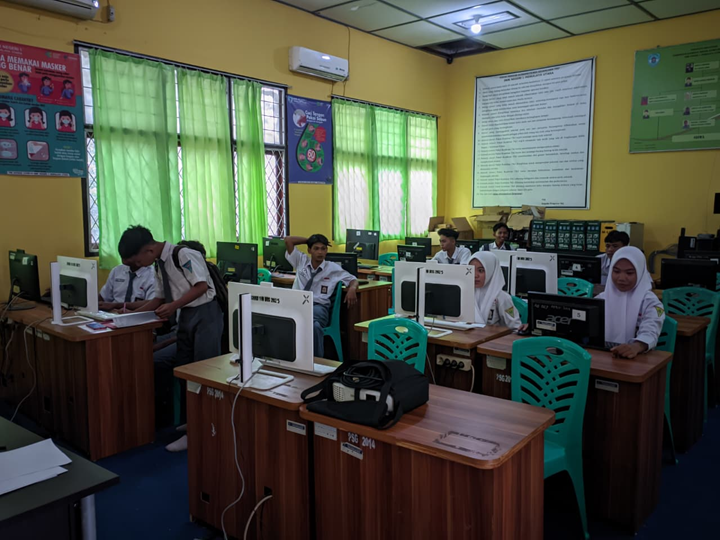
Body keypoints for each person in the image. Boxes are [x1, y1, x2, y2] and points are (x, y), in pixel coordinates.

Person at [120, 226, 223, 452]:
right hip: (185, 316)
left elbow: (201, 287)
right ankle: (191, 422)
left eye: (137, 262)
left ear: (148, 250)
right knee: (184, 371)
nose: (139, 266)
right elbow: (158, 298)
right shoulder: (159, 264)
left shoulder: (184, 255)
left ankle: (203, 429)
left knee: (202, 374)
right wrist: (128, 317)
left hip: (206, 315)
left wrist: (174, 305)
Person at [284, 234, 358, 357]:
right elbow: (288, 240)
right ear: (309, 250)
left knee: (307, 322)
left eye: (323, 248)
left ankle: (316, 361)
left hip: (319, 307)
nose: (320, 252)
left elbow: (353, 280)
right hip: (298, 305)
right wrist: (309, 240)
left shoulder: (332, 268)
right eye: (316, 248)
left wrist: (352, 288)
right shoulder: (301, 260)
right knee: (313, 326)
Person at [595, 247, 664, 359]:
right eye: (616, 271)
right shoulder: (601, 299)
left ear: (640, 272)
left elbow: (651, 329)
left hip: (637, 360)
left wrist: (637, 346)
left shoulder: (651, 303)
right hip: (604, 357)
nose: (621, 278)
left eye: (629, 273)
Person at [469, 252, 521, 330]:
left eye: (480, 270)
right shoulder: (466, 293)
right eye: (471, 270)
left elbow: (515, 328)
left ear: (491, 271)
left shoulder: (502, 298)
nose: (475, 275)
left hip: (494, 337)